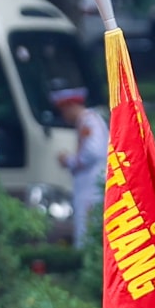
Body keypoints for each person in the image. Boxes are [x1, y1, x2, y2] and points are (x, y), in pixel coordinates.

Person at [53, 86, 108, 249]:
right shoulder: (87, 120)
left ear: (70, 106)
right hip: (89, 183)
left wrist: (69, 160)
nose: (63, 116)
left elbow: (94, 151)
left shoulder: (88, 121)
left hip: (91, 185)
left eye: (63, 110)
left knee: (87, 229)